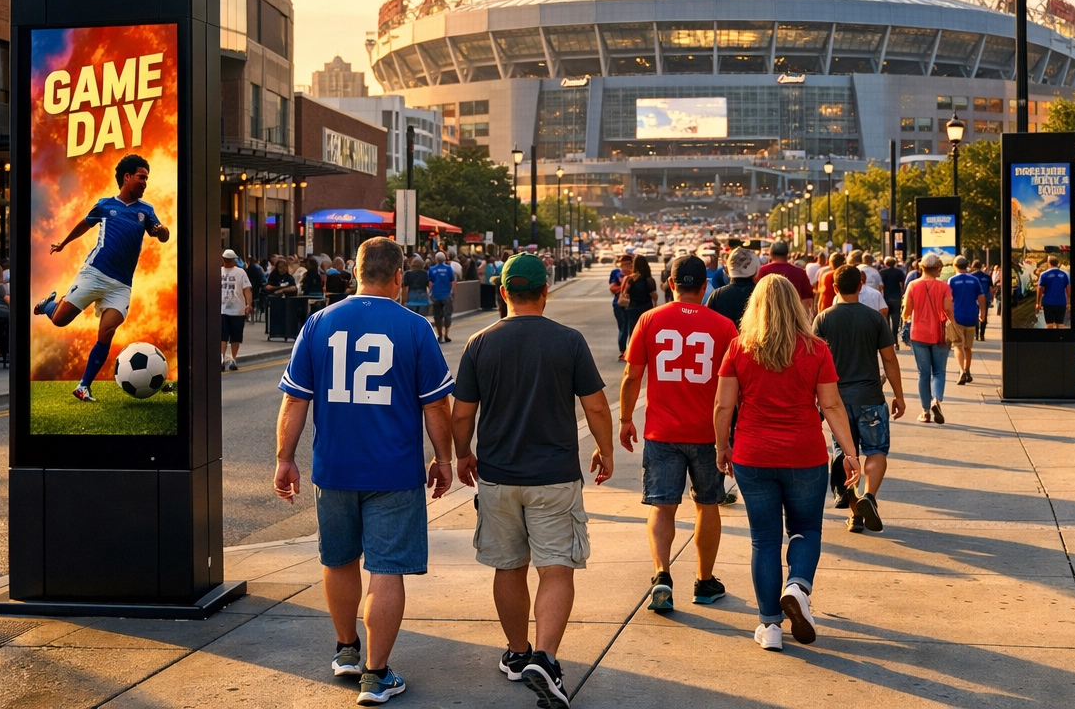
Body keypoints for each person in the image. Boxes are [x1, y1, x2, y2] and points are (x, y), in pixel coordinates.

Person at [275, 237, 455, 706]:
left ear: (355, 272)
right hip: (393, 472)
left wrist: (284, 458)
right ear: (399, 277)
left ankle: (346, 649)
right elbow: (436, 405)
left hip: (333, 468)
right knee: (386, 570)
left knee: (338, 560)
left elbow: (296, 398)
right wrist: (444, 457)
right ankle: (376, 676)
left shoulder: (318, 323)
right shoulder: (415, 329)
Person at [452, 253, 613, 708]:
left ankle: (519, 654)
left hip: (499, 477)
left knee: (509, 566)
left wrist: (462, 454)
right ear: (546, 292)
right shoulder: (568, 341)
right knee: (556, 568)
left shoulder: (480, 342)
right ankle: (547, 656)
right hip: (554, 475)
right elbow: (597, 406)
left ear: (502, 292)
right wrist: (605, 449)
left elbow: (462, 412)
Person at [714, 274, 861, 651]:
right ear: (796, 305)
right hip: (804, 454)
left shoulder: (739, 348)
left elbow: (723, 405)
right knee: (806, 531)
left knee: (764, 541)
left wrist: (721, 447)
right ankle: (797, 586)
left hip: (753, 453)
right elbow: (830, 405)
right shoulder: (816, 349)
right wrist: (849, 451)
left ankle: (770, 627)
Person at [620, 256, 738, 613]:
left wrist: (626, 418)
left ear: (671, 283)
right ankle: (704, 581)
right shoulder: (723, 326)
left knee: (662, 506)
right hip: (707, 431)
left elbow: (631, 376)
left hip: (662, 429)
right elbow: (735, 384)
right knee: (707, 504)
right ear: (705, 286)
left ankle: (662, 575)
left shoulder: (650, 320)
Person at [32, 154, 170, 402]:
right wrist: (63, 243)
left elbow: (161, 235)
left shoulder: (146, 210)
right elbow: (84, 224)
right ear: (127, 177)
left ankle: (84, 386)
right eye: (141, 177)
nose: (144, 182)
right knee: (61, 320)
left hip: (120, 285)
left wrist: (162, 231)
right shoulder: (105, 205)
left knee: (107, 330)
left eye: (147, 178)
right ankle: (48, 305)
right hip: (94, 273)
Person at [814, 265, 905, 533]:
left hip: (837, 401)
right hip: (870, 396)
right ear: (861, 285)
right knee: (876, 450)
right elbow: (889, 358)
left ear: (834, 288)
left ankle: (855, 513)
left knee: (846, 453)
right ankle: (870, 497)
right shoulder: (875, 319)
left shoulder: (823, 319)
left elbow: (814, 361)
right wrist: (898, 395)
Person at [903, 253, 954, 422]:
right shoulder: (944, 287)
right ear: (937, 269)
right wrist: (953, 326)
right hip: (939, 334)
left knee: (923, 374)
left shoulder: (912, 285)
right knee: (939, 372)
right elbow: (948, 310)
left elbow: (907, 312)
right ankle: (936, 400)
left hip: (918, 334)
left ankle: (925, 412)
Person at [947, 255, 985, 385]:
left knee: (958, 345)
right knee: (968, 347)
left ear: (954, 266)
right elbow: (981, 298)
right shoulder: (974, 280)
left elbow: (948, 299)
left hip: (956, 317)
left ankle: (961, 370)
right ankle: (968, 370)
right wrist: (983, 313)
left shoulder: (951, 280)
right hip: (971, 317)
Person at [755, 239, 815, 314]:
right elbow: (808, 300)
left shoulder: (762, 271)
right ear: (787, 254)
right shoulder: (800, 273)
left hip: (766, 316)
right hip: (793, 318)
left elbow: (756, 299)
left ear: (770, 254)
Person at [706, 246, 758, 328]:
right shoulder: (762, 294)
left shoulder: (717, 295)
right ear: (756, 269)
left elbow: (709, 326)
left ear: (727, 270)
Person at [220, 249, 253, 370]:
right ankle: (229, 359)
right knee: (232, 337)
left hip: (230, 309)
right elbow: (247, 290)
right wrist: (248, 304)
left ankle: (224, 359)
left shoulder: (239, 272)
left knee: (226, 336)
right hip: (232, 309)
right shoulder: (240, 272)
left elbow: (247, 289)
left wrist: (248, 304)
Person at [1034, 255, 1072, 329]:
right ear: (1057, 263)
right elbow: (1068, 288)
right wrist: (1068, 302)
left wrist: (1038, 303)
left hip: (1048, 303)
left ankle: (1051, 338)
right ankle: (1059, 338)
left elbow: (1040, 288)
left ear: (1049, 263)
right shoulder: (1064, 275)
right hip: (1061, 303)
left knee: (1049, 324)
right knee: (1060, 324)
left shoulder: (1044, 275)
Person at [609, 253, 635, 358]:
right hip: (619, 305)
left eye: (628, 264)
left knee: (632, 329)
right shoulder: (616, 273)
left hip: (633, 305)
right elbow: (612, 288)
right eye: (623, 264)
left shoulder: (636, 274)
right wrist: (625, 289)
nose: (625, 266)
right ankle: (623, 351)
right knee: (623, 328)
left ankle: (630, 350)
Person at [427, 253, 457, 343]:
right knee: (447, 315)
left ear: (436, 259)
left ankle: (439, 335)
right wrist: (453, 292)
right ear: (444, 259)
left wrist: (430, 292)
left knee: (437, 316)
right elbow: (453, 281)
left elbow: (430, 282)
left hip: (436, 295)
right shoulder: (448, 268)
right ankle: (446, 334)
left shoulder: (432, 269)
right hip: (446, 295)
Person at [880, 257, 906, 346]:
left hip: (885, 298)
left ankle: (888, 341)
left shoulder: (882, 272)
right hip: (896, 298)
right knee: (896, 320)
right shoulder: (899, 272)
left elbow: (881, 286)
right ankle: (895, 341)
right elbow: (902, 285)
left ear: (885, 263)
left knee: (886, 320)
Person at [974, 263, 993, 341]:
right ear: (981, 266)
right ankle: (982, 335)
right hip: (986, 298)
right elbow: (991, 288)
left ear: (973, 267)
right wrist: (992, 297)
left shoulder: (972, 276)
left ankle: (976, 334)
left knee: (975, 316)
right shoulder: (987, 276)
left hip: (974, 299)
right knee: (984, 316)